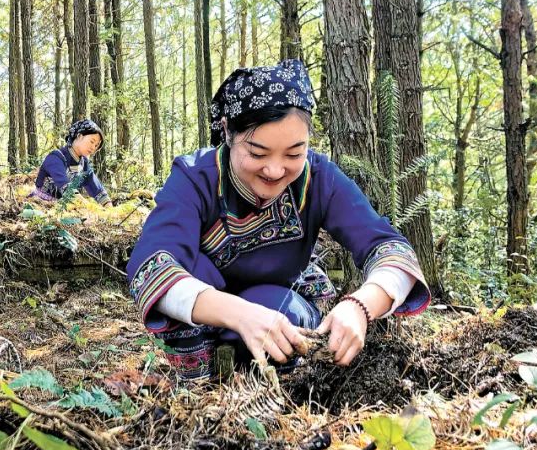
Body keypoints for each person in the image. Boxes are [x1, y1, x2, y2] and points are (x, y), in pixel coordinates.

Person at [125, 59, 430, 380]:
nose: (274, 170)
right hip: (201, 320)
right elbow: (151, 267)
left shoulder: (320, 179)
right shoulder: (195, 179)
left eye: (294, 154)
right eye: (257, 153)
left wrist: (360, 306)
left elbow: (392, 250)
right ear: (227, 131)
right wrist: (238, 313)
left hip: (284, 309)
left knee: (275, 308)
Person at [33, 119, 111, 206]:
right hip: (39, 204)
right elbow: (66, 188)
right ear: (79, 136)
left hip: (64, 208)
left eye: (96, 145)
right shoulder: (55, 157)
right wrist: (88, 206)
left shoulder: (84, 164)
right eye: (92, 142)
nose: (93, 148)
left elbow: (97, 190)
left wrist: (109, 207)